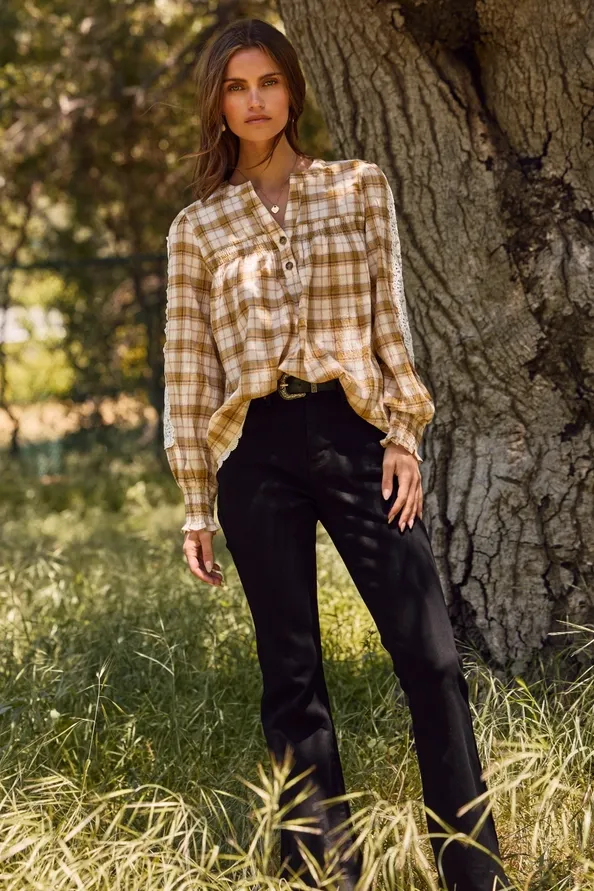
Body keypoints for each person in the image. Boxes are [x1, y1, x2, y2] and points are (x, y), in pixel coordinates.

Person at [163, 16, 511, 891]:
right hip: (256, 454)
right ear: (218, 102)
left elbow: (391, 323)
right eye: (237, 86)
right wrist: (196, 501)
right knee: (292, 672)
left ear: (292, 90)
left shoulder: (357, 187)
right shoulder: (197, 229)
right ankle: (324, 873)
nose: (255, 100)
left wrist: (403, 433)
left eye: (268, 82)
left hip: (357, 436)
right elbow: (188, 372)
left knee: (430, 656)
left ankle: (474, 871)